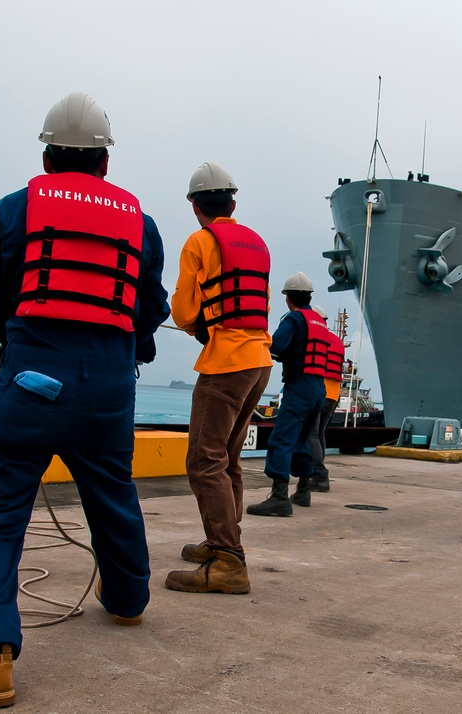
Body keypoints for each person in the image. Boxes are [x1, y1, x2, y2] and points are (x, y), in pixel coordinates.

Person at [0, 92, 169, 708]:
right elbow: (151, 310)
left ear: (45, 155)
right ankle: (127, 602)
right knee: (113, 492)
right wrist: (119, 353)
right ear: (105, 164)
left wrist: (24, 342)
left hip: (33, 378)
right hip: (112, 387)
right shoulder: (142, 223)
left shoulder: (13, 209)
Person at [164, 161, 273, 595]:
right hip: (260, 360)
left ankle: (228, 559)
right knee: (227, 457)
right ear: (233, 201)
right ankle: (224, 540)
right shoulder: (258, 243)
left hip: (225, 361)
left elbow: (185, 311)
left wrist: (196, 327)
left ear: (195, 206)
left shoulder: (200, 241)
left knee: (204, 460)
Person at [247, 272, 327, 516]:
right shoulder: (318, 321)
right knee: (302, 439)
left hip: (299, 387)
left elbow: (278, 346)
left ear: (287, 298)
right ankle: (303, 490)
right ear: (309, 296)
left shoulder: (293, 319)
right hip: (318, 389)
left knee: (281, 439)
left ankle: (279, 496)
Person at [306, 305, 344, 493]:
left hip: (319, 390)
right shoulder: (337, 340)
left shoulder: (318, 336)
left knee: (310, 434)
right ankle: (318, 473)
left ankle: (320, 475)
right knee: (320, 433)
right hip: (334, 394)